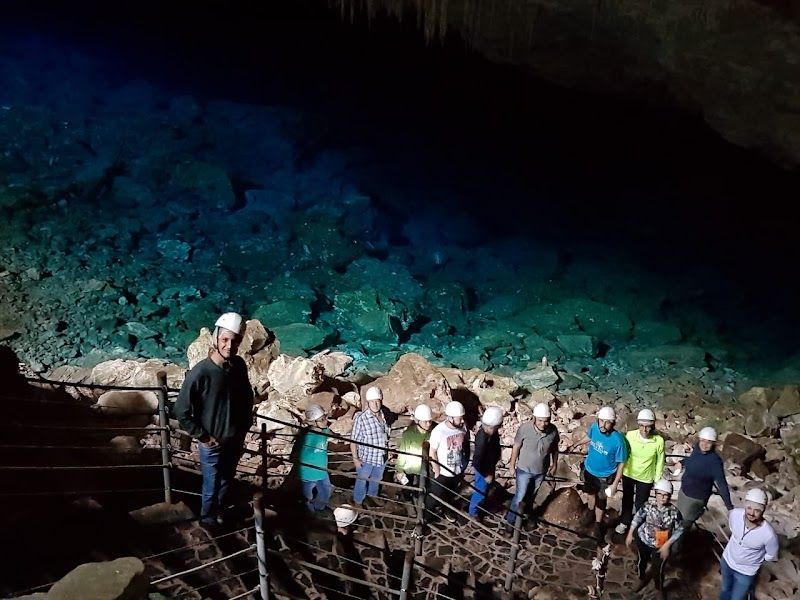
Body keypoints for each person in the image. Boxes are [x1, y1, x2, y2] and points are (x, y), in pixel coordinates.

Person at [175, 312, 255, 526]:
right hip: (212, 442)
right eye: (225, 340)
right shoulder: (200, 373)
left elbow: (247, 397)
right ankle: (208, 521)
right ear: (216, 339)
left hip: (233, 439)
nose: (230, 345)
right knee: (211, 485)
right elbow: (181, 409)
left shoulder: (237, 366)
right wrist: (203, 436)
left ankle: (218, 514)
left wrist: (244, 426)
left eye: (235, 340)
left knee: (226, 481)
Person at [569, 406, 628, 538]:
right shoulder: (595, 428)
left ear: (612, 423)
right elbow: (590, 437)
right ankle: (590, 511)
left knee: (601, 500)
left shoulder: (618, 441)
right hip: (590, 469)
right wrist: (576, 444)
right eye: (601, 421)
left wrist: (615, 483)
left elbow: (622, 463)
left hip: (605, 475)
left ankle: (597, 523)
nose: (603, 425)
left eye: (607, 422)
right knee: (590, 493)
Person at [625, 479, 684, 596]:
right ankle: (641, 578)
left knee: (658, 569)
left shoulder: (674, 512)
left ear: (669, 496)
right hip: (644, 538)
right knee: (642, 561)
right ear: (655, 493)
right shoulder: (648, 505)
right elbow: (638, 517)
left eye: (665, 495)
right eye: (659, 494)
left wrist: (667, 545)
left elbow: (680, 529)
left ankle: (658, 589)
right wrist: (630, 532)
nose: (662, 497)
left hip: (661, 544)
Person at [505, 402, 559, 527]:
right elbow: (516, 446)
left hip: (540, 471)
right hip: (524, 469)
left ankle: (524, 517)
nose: (543, 424)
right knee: (519, 496)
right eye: (540, 420)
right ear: (534, 418)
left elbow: (554, 448)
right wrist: (512, 465)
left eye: (546, 421)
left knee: (531, 496)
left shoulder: (553, 431)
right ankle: (510, 522)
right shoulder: (525, 429)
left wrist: (554, 464)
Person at [719, 488, 779, 600]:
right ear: (745, 505)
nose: (751, 513)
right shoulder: (735, 515)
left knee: (737, 598)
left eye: (757, 510)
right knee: (725, 590)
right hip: (727, 561)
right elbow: (733, 530)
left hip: (745, 572)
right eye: (749, 508)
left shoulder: (769, 535)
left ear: (763, 510)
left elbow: (771, 556)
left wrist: (753, 560)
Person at [615, 408, 665, 535]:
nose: (644, 430)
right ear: (638, 425)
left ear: (652, 426)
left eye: (648, 427)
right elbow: (624, 454)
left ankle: (637, 524)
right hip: (629, 473)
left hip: (646, 477)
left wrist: (657, 479)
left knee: (641, 503)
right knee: (626, 499)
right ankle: (624, 522)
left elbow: (660, 461)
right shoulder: (630, 435)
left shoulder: (658, 441)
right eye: (642, 426)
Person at [676, 427, 734, 534]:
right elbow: (693, 462)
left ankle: (675, 549)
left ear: (714, 444)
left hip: (695, 500)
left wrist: (729, 507)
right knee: (677, 522)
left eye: (709, 442)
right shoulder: (697, 450)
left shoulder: (715, 461)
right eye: (702, 440)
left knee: (682, 528)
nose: (705, 444)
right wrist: (682, 462)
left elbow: (721, 484)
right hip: (683, 493)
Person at [426, 400, 470, 523]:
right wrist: (437, 470)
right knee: (434, 498)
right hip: (443, 473)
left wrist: (463, 465)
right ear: (450, 418)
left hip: (457, 471)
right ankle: (425, 516)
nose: (462, 421)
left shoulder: (462, 428)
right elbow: (432, 452)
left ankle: (447, 510)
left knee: (451, 494)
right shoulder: (439, 432)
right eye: (459, 418)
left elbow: (465, 444)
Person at [350, 386, 391, 507]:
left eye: (377, 401)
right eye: (372, 401)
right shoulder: (361, 419)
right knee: (362, 480)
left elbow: (385, 435)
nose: (375, 404)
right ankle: (358, 500)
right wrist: (355, 459)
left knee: (376, 479)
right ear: (368, 403)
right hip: (366, 458)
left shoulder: (384, 416)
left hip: (381, 457)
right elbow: (353, 441)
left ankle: (372, 495)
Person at [468, 406, 503, 519]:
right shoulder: (482, 439)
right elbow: (477, 461)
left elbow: (495, 448)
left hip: (488, 466)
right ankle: (473, 513)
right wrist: (486, 474)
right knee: (480, 492)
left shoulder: (491, 434)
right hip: (483, 469)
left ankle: (479, 507)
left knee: (484, 490)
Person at [298, 403, 333, 513]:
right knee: (307, 497)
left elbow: (332, 436)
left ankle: (319, 509)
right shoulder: (308, 437)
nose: (325, 421)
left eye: (325, 418)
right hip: (308, 474)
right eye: (322, 419)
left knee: (326, 492)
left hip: (322, 472)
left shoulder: (325, 431)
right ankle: (310, 513)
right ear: (313, 422)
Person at [395, 404, 434, 493]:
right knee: (408, 489)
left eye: (429, 421)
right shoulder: (408, 434)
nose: (428, 424)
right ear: (418, 421)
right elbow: (402, 452)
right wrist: (399, 469)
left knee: (423, 490)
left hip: (425, 469)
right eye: (425, 422)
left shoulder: (432, 433)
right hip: (410, 469)